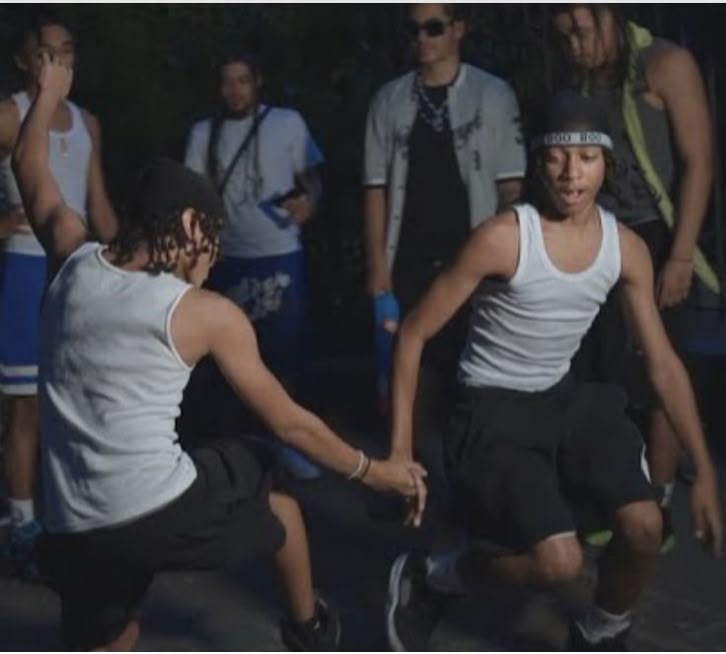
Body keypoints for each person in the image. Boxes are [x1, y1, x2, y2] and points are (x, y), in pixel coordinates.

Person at [14, 53, 427, 651]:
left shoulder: (72, 257)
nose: (213, 255)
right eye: (211, 236)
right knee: (273, 492)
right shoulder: (202, 314)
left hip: (73, 524)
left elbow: (29, 165)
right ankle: (310, 629)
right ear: (186, 225)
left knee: (113, 631)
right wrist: (376, 472)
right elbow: (290, 423)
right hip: (158, 511)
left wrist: (45, 95)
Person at [384, 91, 722, 651]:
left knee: (644, 527)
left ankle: (603, 628)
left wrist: (704, 470)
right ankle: (436, 578)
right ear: (538, 161)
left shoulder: (625, 248)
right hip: (491, 410)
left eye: (587, 157)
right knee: (557, 561)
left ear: (606, 164)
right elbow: (414, 335)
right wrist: (399, 451)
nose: (571, 174)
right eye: (557, 157)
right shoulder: (504, 238)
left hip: (564, 399)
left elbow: (662, 364)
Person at [550, 4, 718, 552]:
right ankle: (615, 491)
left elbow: (699, 161)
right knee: (603, 369)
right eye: (565, 34)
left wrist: (680, 254)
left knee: (662, 362)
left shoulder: (664, 63)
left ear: (610, 15)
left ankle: (661, 498)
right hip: (598, 234)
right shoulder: (579, 76)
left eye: (582, 28)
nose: (574, 42)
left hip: (657, 234)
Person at [363, 3, 525, 489]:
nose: (422, 38)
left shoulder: (493, 95)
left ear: (458, 29)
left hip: (471, 257)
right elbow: (375, 188)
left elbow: (510, 184)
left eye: (434, 27)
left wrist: (506, 256)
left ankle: (472, 482)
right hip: (407, 252)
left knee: (473, 369)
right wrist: (376, 265)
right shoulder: (388, 101)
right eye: (413, 29)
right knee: (406, 370)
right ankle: (408, 476)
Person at [0, 13, 117, 577]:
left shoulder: (88, 122)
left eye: (67, 51)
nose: (59, 63)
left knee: (77, 400)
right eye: (47, 53)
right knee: (24, 405)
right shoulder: (9, 115)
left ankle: (73, 521)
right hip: (24, 269)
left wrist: (128, 269)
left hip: (77, 270)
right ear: (25, 60)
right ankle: (21, 525)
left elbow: (97, 206)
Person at [184, 49, 324, 480]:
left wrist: (310, 202)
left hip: (279, 251)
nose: (235, 90)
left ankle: (289, 443)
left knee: (284, 355)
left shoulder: (288, 122)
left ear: (258, 81)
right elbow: (191, 195)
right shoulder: (203, 133)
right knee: (226, 361)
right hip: (226, 258)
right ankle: (232, 449)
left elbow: (313, 175)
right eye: (227, 81)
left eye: (243, 80)